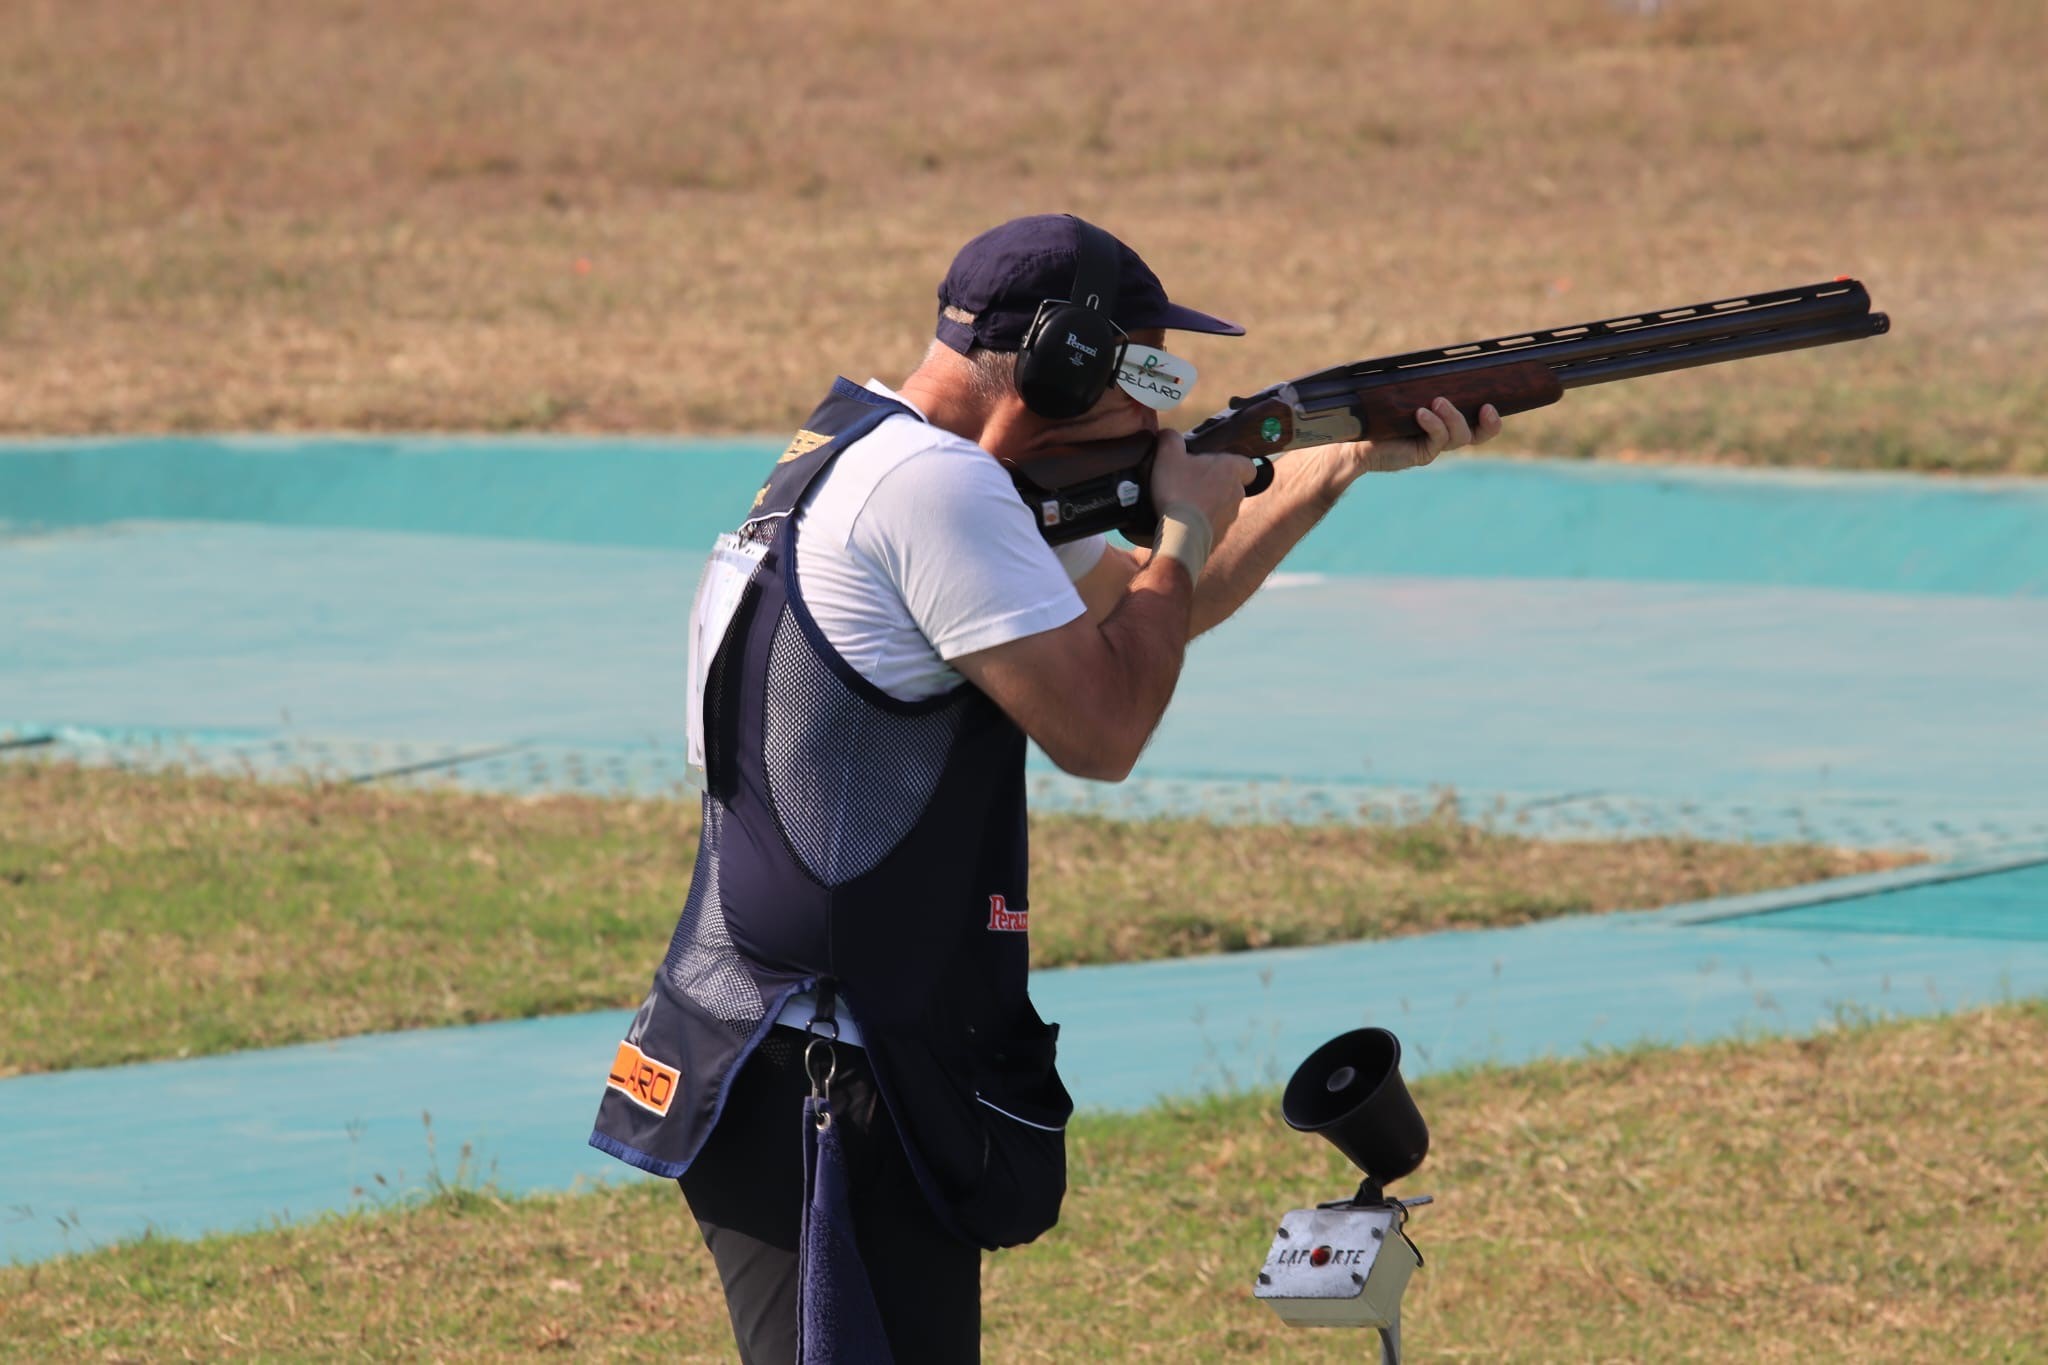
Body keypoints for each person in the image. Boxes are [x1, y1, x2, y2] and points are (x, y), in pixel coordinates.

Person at [589, 213, 1503, 1362]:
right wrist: (1178, 529)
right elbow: (1105, 724)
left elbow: (1146, 614)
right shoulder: (941, 495)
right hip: (833, 1070)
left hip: (790, 1043)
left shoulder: (866, 454)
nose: (1163, 409)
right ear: (1063, 362)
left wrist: (1337, 457)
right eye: (1148, 371)